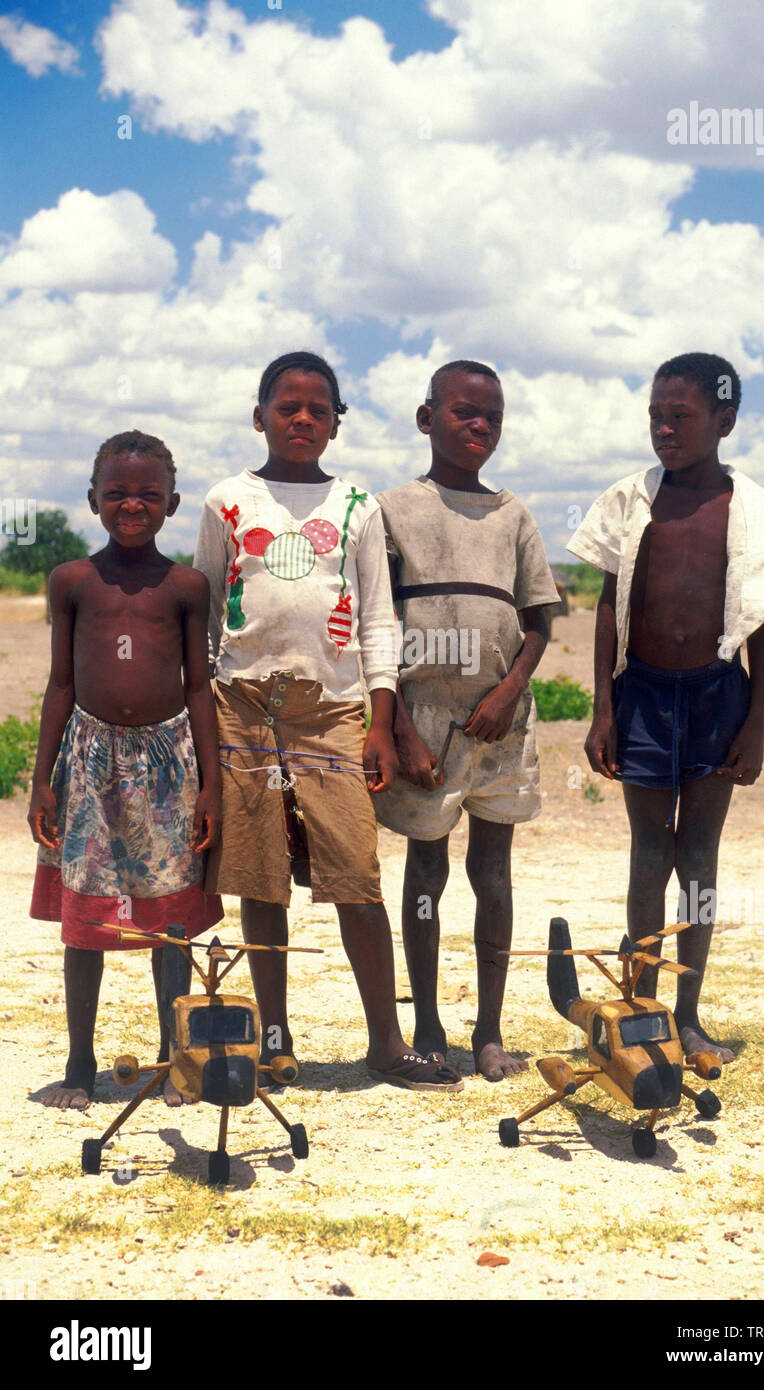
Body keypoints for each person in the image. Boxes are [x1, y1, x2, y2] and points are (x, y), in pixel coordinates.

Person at [193, 350, 462, 1092]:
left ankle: (385, 1042)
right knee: (260, 881)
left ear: (336, 423)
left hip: (332, 711)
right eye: (288, 407)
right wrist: (204, 716)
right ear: (260, 418)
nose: (303, 419)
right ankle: (275, 1043)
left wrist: (380, 723)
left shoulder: (356, 508)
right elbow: (207, 613)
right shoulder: (226, 502)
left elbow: (378, 618)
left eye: (318, 408)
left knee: (356, 874)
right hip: (242, 707)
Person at [572, 352, 764, 1061]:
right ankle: (642, 1006)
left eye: (680, 416)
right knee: (649, 855)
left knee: (699, 860)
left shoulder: (757, 513)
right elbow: (607, 607)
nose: (664, 429)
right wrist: (602, 709)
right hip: (641, 695)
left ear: (723, 421)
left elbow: (763, 622)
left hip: (716, 697)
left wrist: (755, 723)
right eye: (655, 416)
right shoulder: (629, 499)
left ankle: (688, 1011)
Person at [375, 361, 559, 1081]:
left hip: (500, 722)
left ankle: (488, 1030)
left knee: (493, 872)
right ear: (427, 420)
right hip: (422, 718)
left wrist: (510, 688)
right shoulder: (392, 510)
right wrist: (400, 731)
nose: (480, 426)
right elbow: (375, 623)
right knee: (426, 869)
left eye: (493, 417)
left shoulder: (512, 514)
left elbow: (539, 620)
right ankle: (425, 1023)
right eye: (464, 413)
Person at [29, 430, 223, 1110]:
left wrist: (212, 786)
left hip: (169, 764)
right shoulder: (72, 581)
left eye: (147, 493)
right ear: (92, 500)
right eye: (116, 492)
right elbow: (59, 684)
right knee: (84, 914)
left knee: (168, 916)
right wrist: (42, 779)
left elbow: (199, 687)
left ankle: (176, 1061)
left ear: (171, 503)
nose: (131, 504)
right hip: (89, 759)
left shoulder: (186, 586)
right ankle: (80, 1064)